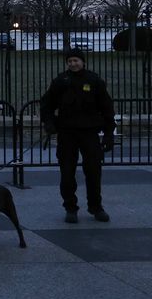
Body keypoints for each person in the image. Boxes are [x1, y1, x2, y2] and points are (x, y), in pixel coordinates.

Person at [40, 47, 115, 224]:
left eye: (76, 60)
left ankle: (96, 207)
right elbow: (46, 104)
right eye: (70, 61)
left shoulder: (94, 80)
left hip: (90, 132)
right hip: (67, 133)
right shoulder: (61, 81)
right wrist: (49, 123)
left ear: (83, 62)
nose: (73, 64)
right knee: (67, 172)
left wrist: (109, 133)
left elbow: (107, 108)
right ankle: (70, 207)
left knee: (94, 172)